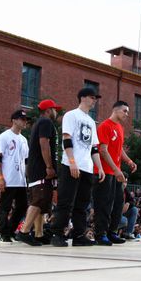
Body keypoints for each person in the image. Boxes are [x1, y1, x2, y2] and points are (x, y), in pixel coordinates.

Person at [49, 87, 106, 247]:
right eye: (92, 97)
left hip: (87, 168)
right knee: (66, 201)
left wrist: (99, 167)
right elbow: (67, 138)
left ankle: (79, 235)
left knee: (82, 204)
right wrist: (72, 161)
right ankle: (58, 233)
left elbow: (94, 148)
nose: (94, 101)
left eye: (95, 98)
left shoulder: (91, 122)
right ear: (83, 98)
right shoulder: (71, 115)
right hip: (71, 165)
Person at [92, 101, 137, 246]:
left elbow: (119, 149)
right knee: (104, 204)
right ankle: (100, 234)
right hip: (104, 172)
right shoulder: (105, 126)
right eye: (124, 111)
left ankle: (112, 232)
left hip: (116, 173)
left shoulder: (120, 128)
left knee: (118, 203)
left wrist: (129, 161)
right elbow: (103, 150)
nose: (126, 114)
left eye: (127, 112)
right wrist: (117, 170)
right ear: (115, 110)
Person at [17, 99, 61, 246]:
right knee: (38, 200)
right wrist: (49, 166)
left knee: (43, 203)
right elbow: (44, 143)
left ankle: (39, 233)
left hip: (38, 169)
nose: (57, 112)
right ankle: (24, 232)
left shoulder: (40, 123)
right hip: (41, 169)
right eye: (55, 109)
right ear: (48, 110)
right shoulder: (45, 123)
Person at [0, 109, 30, 243]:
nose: (25, 122)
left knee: (22, 206)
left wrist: (27, 177)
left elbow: (26, 160)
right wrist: (0, 177)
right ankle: (4, 234)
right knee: (5, 206)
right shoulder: (4, 136)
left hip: (20, 179)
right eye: (22, 119)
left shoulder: (24, 139)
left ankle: (11, 229)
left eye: (26, 120)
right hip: (8, 177)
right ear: (14, 120)